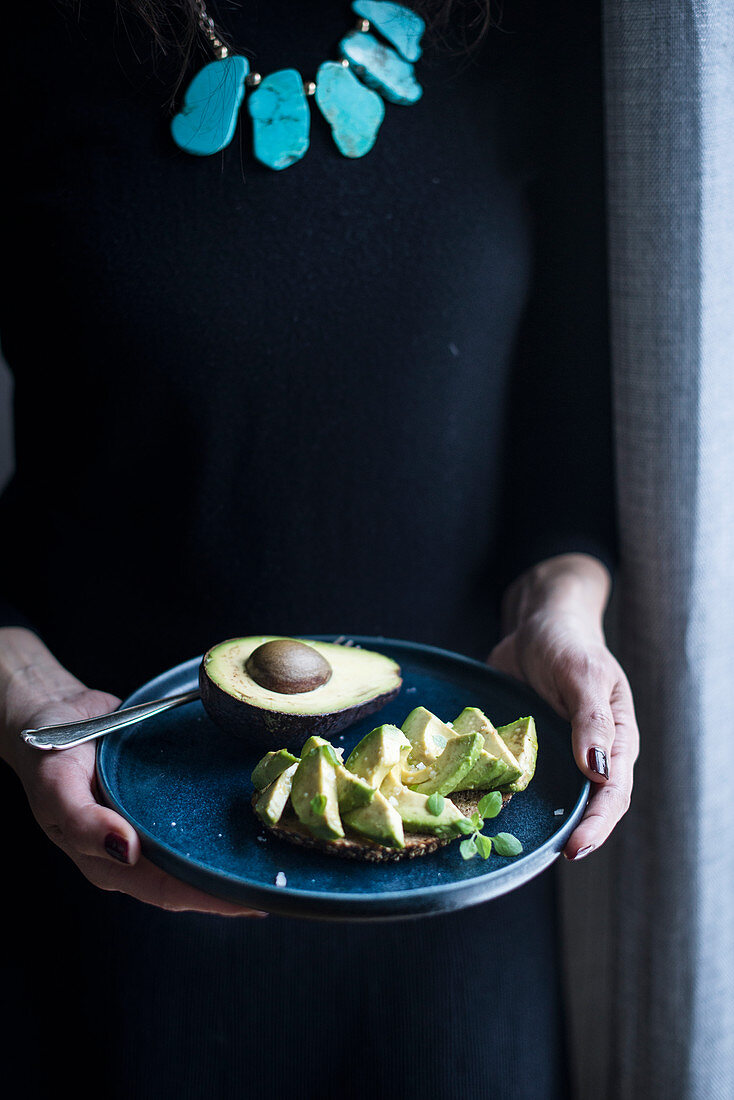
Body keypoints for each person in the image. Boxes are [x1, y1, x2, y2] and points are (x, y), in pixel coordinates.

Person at [0, 1, 638, 1096]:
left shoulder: (532, 29)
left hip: (449, 900)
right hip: (105, 850)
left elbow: (569, 449)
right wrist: (16, 686)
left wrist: (560, 609)